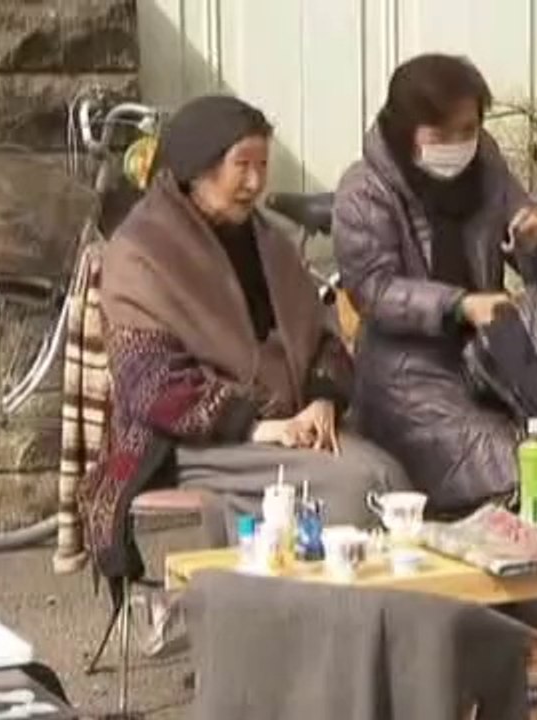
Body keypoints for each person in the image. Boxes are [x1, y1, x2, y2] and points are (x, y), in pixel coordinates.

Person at [332, 54, 537, 672]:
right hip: (410, 376)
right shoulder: (364, 189)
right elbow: (371, 289)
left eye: (468, 130)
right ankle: (534, 627)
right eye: (443, 133)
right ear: (406, 130)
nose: (458, 145)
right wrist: (458, 303)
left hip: (492, 359)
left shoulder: (487, 169)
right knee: (510, 462)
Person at [78, 95, 408, 582]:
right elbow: (149, 383)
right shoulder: (142, 253)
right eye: (241, 166)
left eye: (262, 166)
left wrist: (322, 399)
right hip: (190, 443)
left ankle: (376, 640)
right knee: (353, 490)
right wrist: (256, 426)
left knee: (389, 480)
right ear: (195, 169)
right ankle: (304, 637)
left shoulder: (266, 241)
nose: (255, 182)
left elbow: (323, 335)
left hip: (290, 425)